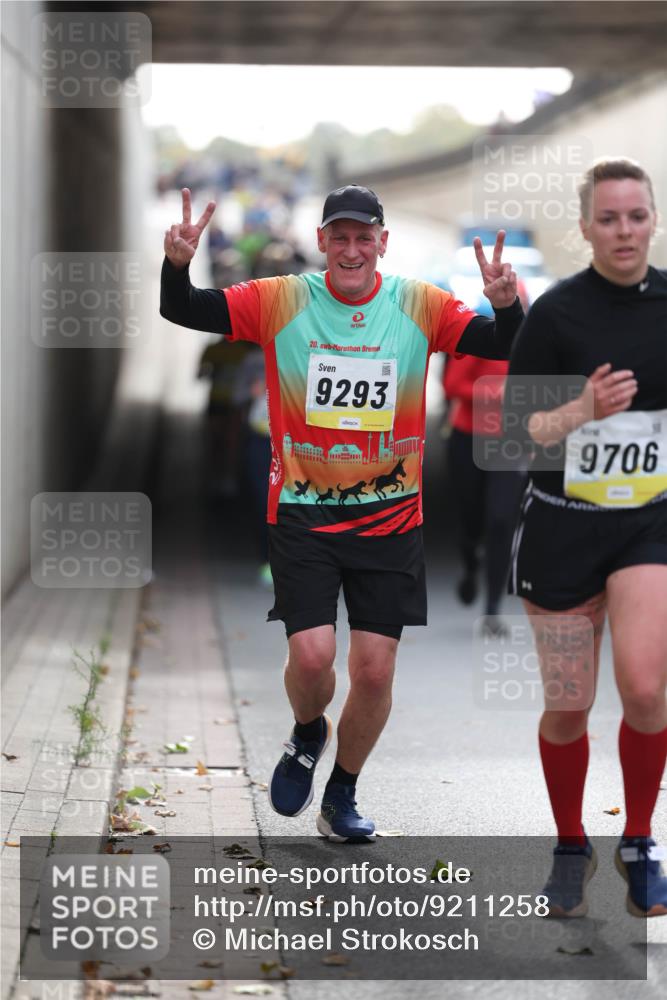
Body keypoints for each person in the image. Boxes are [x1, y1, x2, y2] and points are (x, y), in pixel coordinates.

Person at [160, 183, 523, 841]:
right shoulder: (283, 298)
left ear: (381, 243)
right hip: (302, 510)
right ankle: (306, 732)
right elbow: (180, 308)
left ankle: (342, 793)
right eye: (340, 236)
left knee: (374, 668)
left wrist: (507, 305)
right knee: (310, 659)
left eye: (364, 237)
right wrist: (177, 264)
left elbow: (501, 346)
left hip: (392, 517)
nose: (352, 249)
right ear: (323, 241)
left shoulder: (417, 303)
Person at [507, 158, 667, 916]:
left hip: (646, 523)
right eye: (608, 218)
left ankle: (638, 840)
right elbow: (517, 432)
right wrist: (580, 411)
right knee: (568, 703)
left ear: (652, 219)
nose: (624, 230)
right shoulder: (556, 315)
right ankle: (570, 844)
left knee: (642, 686)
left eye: (635, 215)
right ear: (584, 228)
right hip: (563, 527)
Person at [442, 351, 527, 636]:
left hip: (509, 443)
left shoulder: (536, 336)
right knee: (472, 519)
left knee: (502, 520)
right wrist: (494, 393)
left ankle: (492, 609)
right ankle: (470, 561)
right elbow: (452, 385)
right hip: (468, 438)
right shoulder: (481, 332)